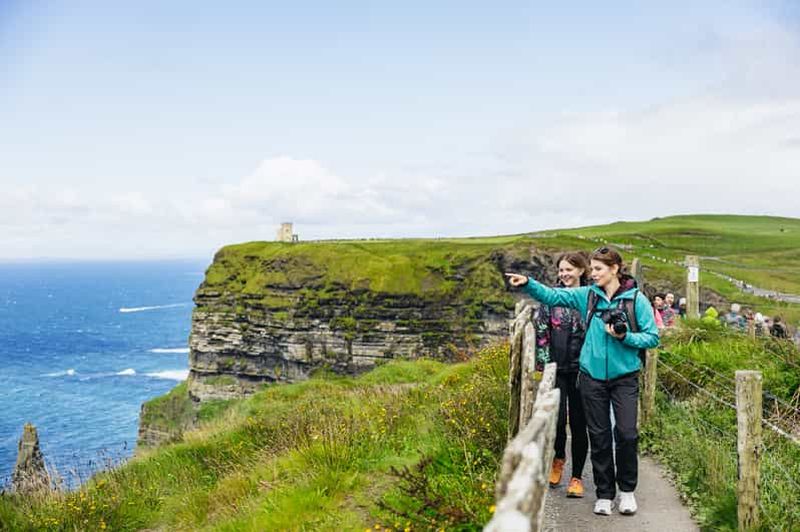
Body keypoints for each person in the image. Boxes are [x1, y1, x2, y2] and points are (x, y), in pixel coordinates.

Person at [506, 247, 659, 517]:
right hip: (591, 377)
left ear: (615, 269)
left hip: (625, 377)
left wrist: (626, 338)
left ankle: (626, 491)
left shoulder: (637, 300)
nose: (593, 273)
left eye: (598, 268)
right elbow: (553, 296)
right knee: (599, 436)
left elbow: (652, 337)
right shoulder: (587, 296)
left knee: (626, 434)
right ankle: (604, 494)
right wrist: (529, 284)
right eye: (592, 268)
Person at [534, 253, 590, 498]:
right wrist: (545, 366)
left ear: (581, 270)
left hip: (583, 370)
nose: (564, 274)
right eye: (561, 270)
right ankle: (558, 458)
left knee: (580, 424)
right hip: (557, 368)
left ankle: (577, 477)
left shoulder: (591, 298)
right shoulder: (551, 299)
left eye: (569, 269)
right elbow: (542, 332)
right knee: (556, 421)